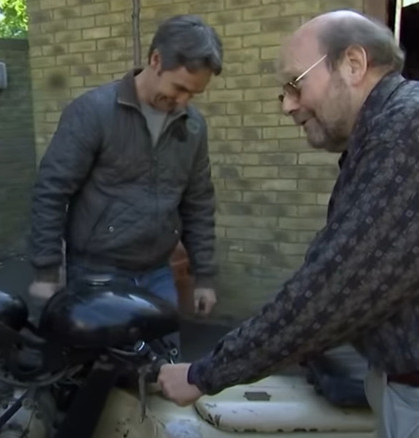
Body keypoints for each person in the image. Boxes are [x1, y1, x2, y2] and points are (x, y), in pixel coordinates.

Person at [157, 10, 419, 438]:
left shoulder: (403, 133)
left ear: (353, 65)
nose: (288, 105)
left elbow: (334, 289)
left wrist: (204, 374)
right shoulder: (386, 131)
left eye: (296, 83)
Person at [28, 14, 223, 354]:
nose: (185, 102)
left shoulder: (193, 127)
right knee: (95, 380)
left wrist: (204, 277)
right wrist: (47, 272)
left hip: (158, 274)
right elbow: (51, 190)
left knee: (164, 372)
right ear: (156, 60)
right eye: (179, 88)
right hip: (96, 275)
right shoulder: (93, 113)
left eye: (195, 93)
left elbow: (198, 203)